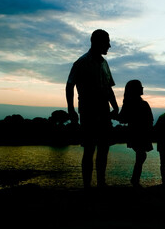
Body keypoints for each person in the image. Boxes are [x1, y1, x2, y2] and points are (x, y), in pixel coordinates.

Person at [66, 29, 119, 189]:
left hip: (104, 111)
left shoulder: (104, 63)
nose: (109, 45)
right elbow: (69, 85)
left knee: (104, 148)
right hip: (88, 111)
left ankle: (101, 183)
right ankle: (87, 187)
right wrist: (71, 109)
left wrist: (115, 106)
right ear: (97, 42)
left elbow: (108, 87)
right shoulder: (81, 62)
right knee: (89, 150)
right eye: (107, 42)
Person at [117, 80, 153, 187]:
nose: (142, 89)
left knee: (141, 155)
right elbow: (123, 118)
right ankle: (135, 180)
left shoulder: (133, 103)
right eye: (140, 87)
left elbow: (122, 118)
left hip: (139, 133)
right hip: (138, 133)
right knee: (141, 155)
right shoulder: (138, 103)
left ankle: (135, 179)